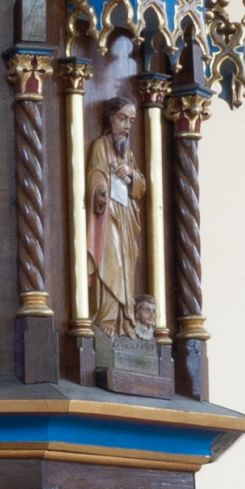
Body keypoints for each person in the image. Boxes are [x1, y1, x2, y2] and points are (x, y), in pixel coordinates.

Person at [87, 92, 152, 339]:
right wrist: (100, 190)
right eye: (122, 119)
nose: (127, 126)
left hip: (125, 217)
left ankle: (124, 320)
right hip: (108, 216)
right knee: (111, 260)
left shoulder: (128, 154)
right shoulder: (100, 146)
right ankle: (107, 318)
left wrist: (131, 175)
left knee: (126, 262)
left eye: (131, 121)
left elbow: (141, 186)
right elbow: (95, 175)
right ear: (110, 119)